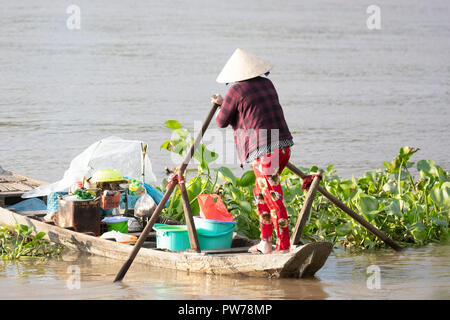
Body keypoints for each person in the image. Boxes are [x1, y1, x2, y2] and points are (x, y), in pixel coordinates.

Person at [211, 48, 294, 254]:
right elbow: (250, 106)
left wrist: (219, 105)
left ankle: (283, 247)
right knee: (260, 194)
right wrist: (226, 104)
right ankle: (265, 242)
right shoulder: (266, 83)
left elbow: (221, 121)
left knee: (273, 197)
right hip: (283, 147)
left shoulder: (236, 90)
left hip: (265, 152)